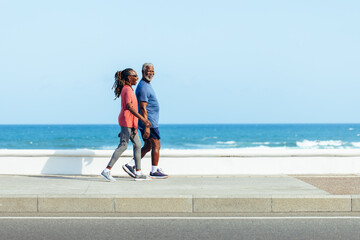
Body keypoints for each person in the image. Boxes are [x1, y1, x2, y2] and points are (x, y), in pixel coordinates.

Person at [101, 68, 152, 181]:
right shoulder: (127, 90)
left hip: (130, 123)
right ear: (129, 78)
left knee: (138, 145)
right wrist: (144, 119)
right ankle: (107, 170)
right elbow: (129, 107)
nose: (137, 78)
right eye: (135, 76)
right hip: (127, 122)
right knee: (123, 145)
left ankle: (138, 173)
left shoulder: (129, 89)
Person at [122, 63, 168, 179]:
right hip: (149, 122)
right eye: (148, 71)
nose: (150, 73)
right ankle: (154, 170)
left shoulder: (146, 85)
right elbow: (142, 108)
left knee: (148, 146)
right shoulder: (143, 87)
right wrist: (147, 126)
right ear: (143, 71)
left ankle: (131, 164)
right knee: (156, 144)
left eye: (152, 71)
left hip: (150, 122)